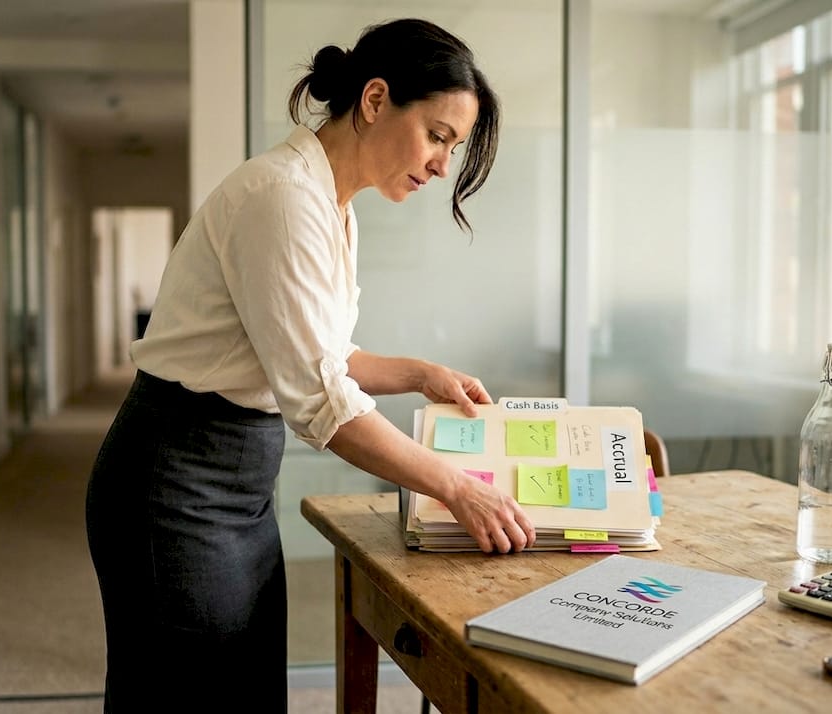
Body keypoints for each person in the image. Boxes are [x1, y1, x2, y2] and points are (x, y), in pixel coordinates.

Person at [84, 17, 536, 712]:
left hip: (237, 479)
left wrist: (421, 374)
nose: (444, 165)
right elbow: (324, 404)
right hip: (174, 479)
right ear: (377, 100)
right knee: (181, 694)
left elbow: (326, 356)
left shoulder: (332, 204)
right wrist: (458, 488)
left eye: (453, 147)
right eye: (438, 136)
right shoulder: (282, 197)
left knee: (246, 687)